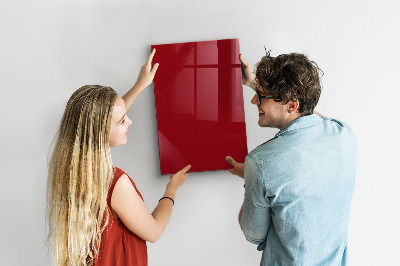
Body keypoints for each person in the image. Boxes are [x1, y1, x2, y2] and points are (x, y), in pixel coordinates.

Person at [46, 49, 191, 266]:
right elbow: (153, 231)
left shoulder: (69, 170)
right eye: (122, 121)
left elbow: (104, 119)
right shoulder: (115, 183)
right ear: (101, 131)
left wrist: (140, 85)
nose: (129, 122)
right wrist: (172, 189)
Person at [225, 51, 357, 265]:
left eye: (260, 96)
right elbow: (311, 114)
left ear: (292, 105)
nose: (253, 100)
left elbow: (253, 235)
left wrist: (252, 178)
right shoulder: (343, 134)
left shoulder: (260, 163)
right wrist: (254, 83)